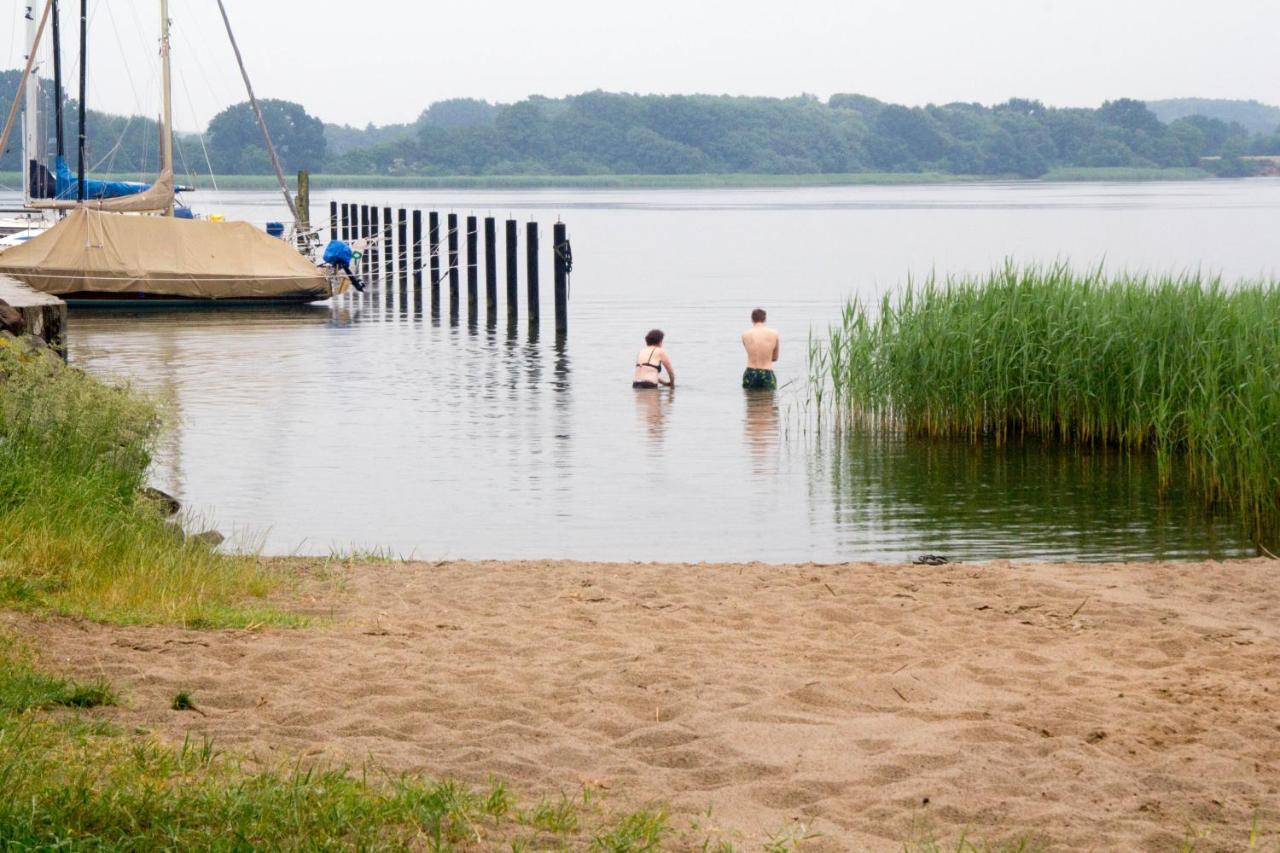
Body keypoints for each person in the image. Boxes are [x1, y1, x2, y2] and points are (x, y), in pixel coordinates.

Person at [741, 307, 779, 390]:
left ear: (752, 320)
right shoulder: (774, 334)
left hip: (750, 373)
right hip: (766, 373)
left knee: (751, 401)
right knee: (768, 401)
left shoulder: (745, 335)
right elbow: (775, 358)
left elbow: (750, 353)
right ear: (765, 319)